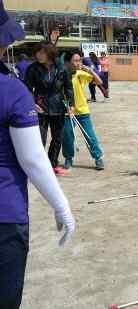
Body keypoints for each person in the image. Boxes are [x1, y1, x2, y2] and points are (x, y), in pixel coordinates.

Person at [0, 6, 75, 307]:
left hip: (53, 109)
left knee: (55, 141)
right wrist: (62, 206)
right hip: (5, 215)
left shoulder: (51, 72)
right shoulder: (12, 89)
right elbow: (32, 159)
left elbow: (65, 86)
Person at [24, 41, 74, 176]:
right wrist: (32, 103)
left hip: (58, 107)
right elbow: (27, 89)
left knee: (58, 138)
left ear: (50, 54)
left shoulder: (62, 68)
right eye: (37, 52)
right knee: (41, 138)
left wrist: (70, 105)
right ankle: (38, 167)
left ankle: (53, 165)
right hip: (40, 107)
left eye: (42, 52)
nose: (38, 55)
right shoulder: (33, 69)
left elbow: (68, 88)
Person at [62, 51, 105, 171]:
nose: (78, 63)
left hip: (83, 112)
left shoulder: (80, 74)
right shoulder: (61, 75)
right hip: (67, 113)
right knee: (68, 137)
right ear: (67, 63)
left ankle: (98, 157)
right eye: (75, 61)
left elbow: (99, 82)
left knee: (90, 136)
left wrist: (89, 70)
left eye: (80, 60)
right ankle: (68, 158)